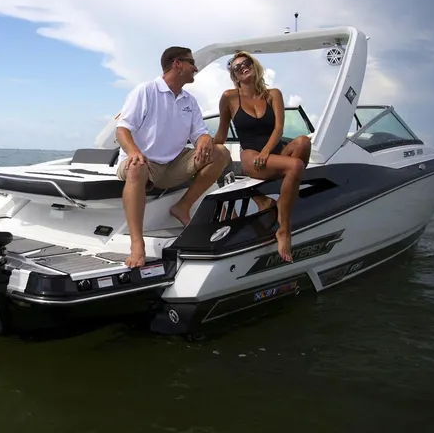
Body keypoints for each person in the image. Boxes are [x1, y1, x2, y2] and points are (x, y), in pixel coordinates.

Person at [116, 46, 231, 268]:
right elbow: (122, 129)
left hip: (173, 165)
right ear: (177, 64)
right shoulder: (146, 91)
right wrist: (134, 152)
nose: (195, 68)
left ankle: (183, 206)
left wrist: (205, 139)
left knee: (221, 153)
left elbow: (199, 134)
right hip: (144, 163)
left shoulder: (189, 101)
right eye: (191, 63)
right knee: (136, 166)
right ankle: (137, 244)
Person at [213, 50, 311, 263]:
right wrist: (204, 147)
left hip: (272, 152)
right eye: (236, 68)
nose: (242, 67)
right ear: (234, 77)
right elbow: (221, 133)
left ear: (254, 65)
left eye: (245, 63)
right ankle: (284, 230)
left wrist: (267, 152)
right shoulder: (229, 97)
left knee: (304, 141)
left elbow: (279, 128)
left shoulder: (273, 93)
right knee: (295, 167)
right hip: (251, 156)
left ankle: (279, 199)